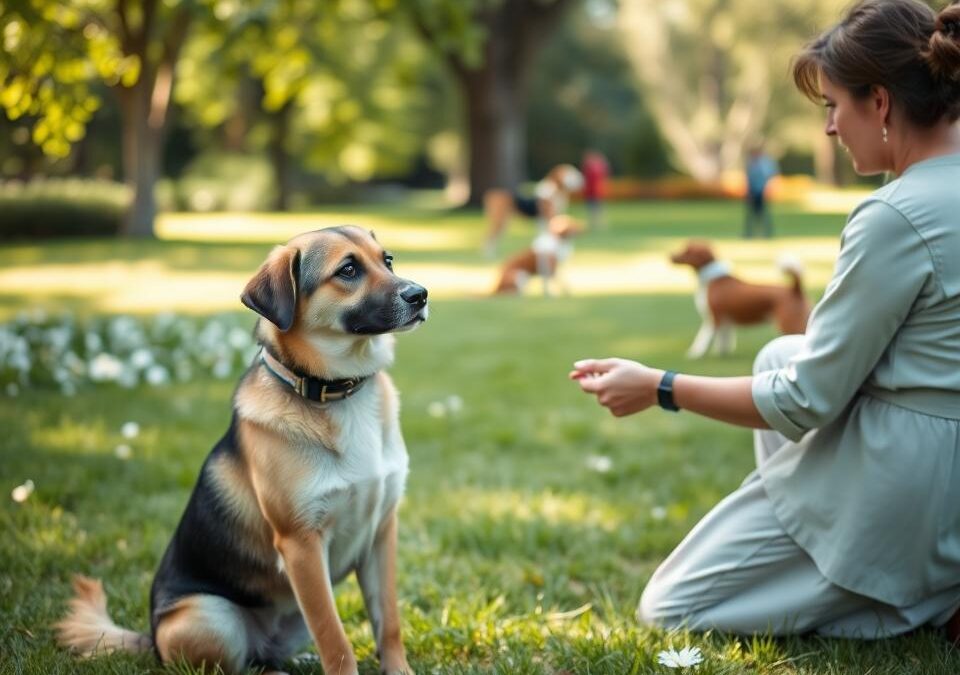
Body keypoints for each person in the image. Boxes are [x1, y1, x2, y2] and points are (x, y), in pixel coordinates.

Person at [571, 0, 960, 641]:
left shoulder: (896, 215)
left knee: (671, 606)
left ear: (880, 103)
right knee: (780, 353)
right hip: (941, 450)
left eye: (833, 105)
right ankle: (837, 545)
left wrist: (660, 387)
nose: (829, 127)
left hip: (916, 481)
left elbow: (809, 399)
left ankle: (912, 597)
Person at [482, 164, 584, 257]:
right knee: (499, 225)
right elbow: (549, 218)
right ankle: (488, 248)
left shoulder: (556, 192)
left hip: (534, 211)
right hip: (527, 209)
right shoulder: (548, 192)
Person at [743, 144, 779, 238]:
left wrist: (768, 189)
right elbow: (749, 178)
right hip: (753, 191)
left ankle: (767, 233)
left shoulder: (765, 163)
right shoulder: (751, 162)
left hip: (762, 191)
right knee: (751, 214)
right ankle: (749, 233)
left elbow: (771, 177)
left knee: (764, 213)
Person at [581, 150, 610, 230]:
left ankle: (598, 224)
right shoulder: (595, 168)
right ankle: (597, 224)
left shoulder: (593, 168)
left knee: (596, 209)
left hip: (595, 192)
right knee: (595, 209)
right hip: (594, 192)